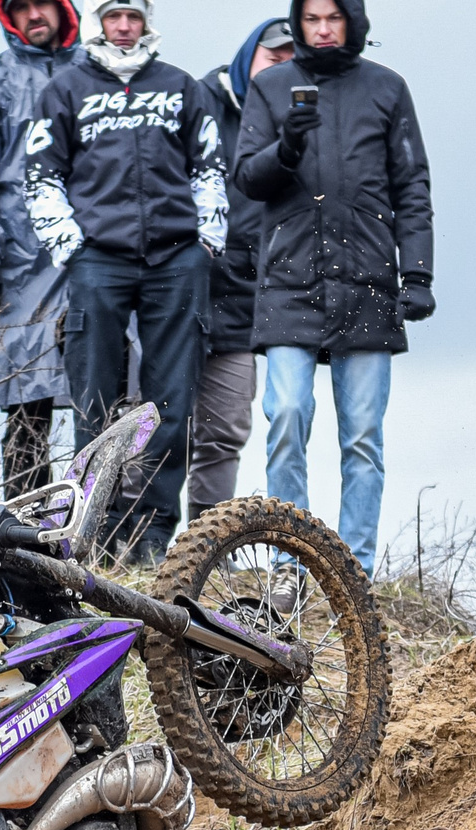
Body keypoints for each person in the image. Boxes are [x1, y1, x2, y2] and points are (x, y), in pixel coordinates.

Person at [25, 0, 226, 560]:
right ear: (99, 21)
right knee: (94, 399)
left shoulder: (181, 87)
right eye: (114, 16)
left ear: (146, 22)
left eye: (133, 16)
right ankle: (94, 532)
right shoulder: (65, 90)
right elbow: (40, 176)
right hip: (99, 260)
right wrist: (71, 248)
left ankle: (154, 534)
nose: (123, 27)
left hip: (176, 259)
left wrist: (206, 243)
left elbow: (210, 168)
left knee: (171, 402)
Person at [236, 0, 432, 572]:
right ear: (298, 22)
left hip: (369, 281)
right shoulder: (271, 87)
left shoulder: (388, 88)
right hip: (289, 279)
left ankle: (355, 573)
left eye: (334, 17)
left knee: (363, 438)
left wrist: (418, 273)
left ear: (353, 20)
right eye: (312, 18)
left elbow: (412, 186)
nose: (322, 29)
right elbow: (247, 178)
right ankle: (288, 567)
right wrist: (286, 147)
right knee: (287, 416)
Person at [0, 0, 86, 497]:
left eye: (42, 2)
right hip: (20, 265)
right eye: (21, 6)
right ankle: (26, 525)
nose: (33, 14)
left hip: (95, 255)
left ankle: (110, 527)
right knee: (27, 407)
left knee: (110, 401)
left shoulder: (97, 74)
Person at [187, 18, 290, 516]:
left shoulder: (295, 125)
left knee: (224, 432)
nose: (280, 69)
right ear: (250, 55)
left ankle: (203, 547)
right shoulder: (195, 101)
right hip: (174, 298)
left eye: (291, 61)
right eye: (273, 57)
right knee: (150, 429)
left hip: (240, 306)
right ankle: (137, 546)